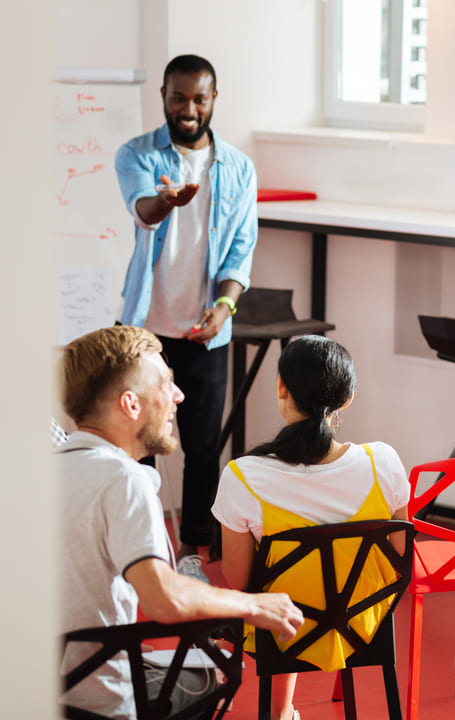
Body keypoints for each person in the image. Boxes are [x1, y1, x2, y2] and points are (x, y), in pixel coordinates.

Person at [57, 325, 304, 720]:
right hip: (95, 705)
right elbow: (162, 598)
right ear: (131, 404)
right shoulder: (124, 479)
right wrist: (252, 604)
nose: (179, 395)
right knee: (212, 674)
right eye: (165, 383)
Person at [211, 335, 411, 720]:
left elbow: (239, 579)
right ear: (347, 398)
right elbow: (400, 555)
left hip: (281, 631)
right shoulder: (382, 462)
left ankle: (267, 706)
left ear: (282, 388)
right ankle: (283, 710)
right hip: (359, 624)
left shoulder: (243, 476)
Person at [114, 53, 258, 574]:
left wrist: (225, 307)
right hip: (144, 330)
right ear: (164, 97)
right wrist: (167, 201)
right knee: (140, 445)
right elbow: (142, 211)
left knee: (201, 449)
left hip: (206, 333)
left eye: (199, 98)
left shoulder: (239, 168)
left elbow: (241, 249)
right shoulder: (137, 155)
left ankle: (196, 553)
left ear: (213, 99)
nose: (189, 109)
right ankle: (143, 550)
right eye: (179, 98)